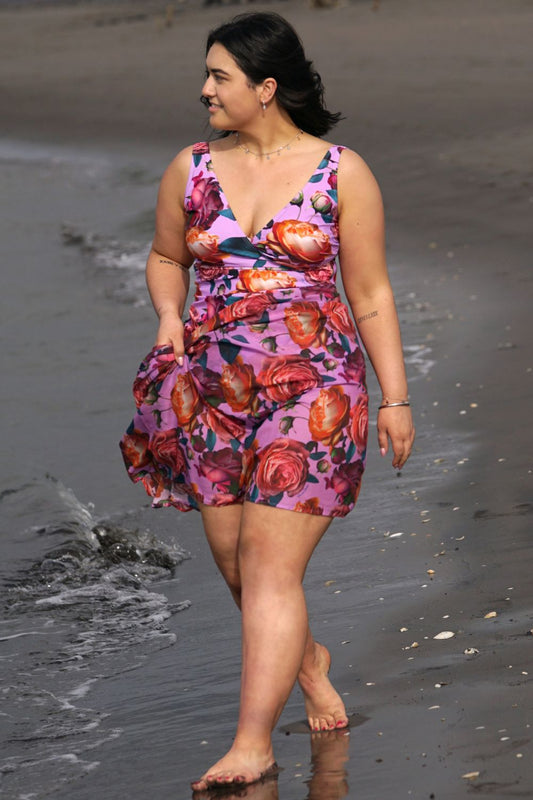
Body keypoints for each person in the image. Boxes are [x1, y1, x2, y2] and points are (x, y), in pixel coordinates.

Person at [120, 11, 415, 793]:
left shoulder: (338, 171)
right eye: (207, 75)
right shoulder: (191, 167)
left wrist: (396, 398)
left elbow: (373, 294)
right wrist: (167, 315)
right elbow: (162, 254)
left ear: (266, 87)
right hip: (209, 393)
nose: (204, 90)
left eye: (219, 76)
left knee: (266, 564)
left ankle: (251, 742)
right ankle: (308, 664)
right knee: (235, 565)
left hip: (314, 389)